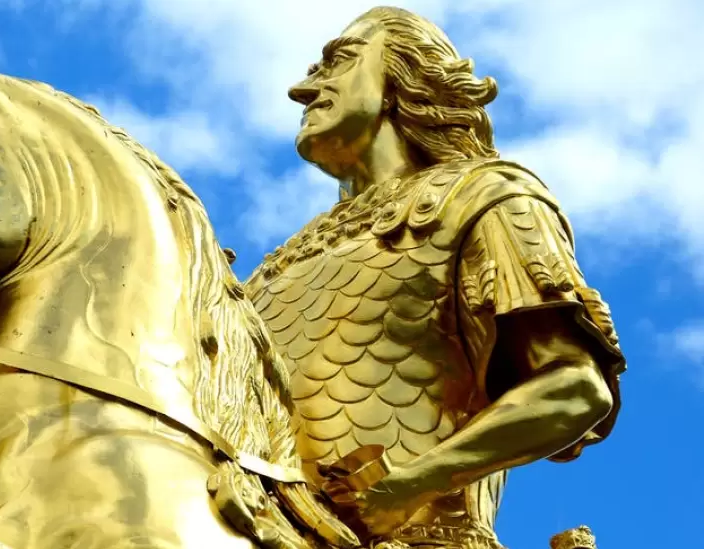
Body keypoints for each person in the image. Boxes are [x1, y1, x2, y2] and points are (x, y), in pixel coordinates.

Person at [244, 7, 625, 548]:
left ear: (405, 80)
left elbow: (574, 389)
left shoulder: (487, 196)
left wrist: (411, 484)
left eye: (337, 62)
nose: (303, 89)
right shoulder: (276, 265)